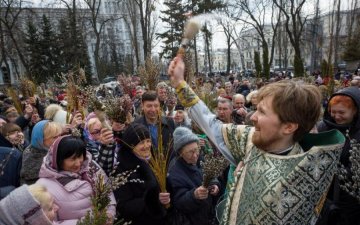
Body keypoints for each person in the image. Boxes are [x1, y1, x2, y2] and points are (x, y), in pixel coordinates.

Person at [168, 57, 345, 225]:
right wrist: (180, 84)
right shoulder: (250, 139)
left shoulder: (305, 174)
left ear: (289, 127)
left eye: (262, 112)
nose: (252, 117)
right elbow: (211, 124)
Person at [36, 135, 116, 224]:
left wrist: (109, 213)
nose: (78, 163)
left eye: (80, 157)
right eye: (72, 159)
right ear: (58, 159)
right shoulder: (43, 186)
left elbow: (107, 192)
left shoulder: (91, 167)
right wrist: (86, 222)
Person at [316, 86, 360, 225]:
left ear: (355, 111)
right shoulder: (323, 127)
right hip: (325, 192)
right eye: (333, 112)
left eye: (342, 112)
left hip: (350, 196)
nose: (336, 116)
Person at [114, 123, 170, 225]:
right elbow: (124, 206)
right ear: (131, 145)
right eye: (141, 142)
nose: (146, 146)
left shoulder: (152, 161)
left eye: (148, 141)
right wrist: (153, 200)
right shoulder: (122, 169)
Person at [168, 127, 220, 225]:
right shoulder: (174, 172)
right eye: (190, 152)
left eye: (197, 149)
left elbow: (211, 174)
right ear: (180, 153)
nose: (195, 155)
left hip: (208, 216)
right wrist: (194, 195)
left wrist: (215, 184)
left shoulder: (199, 159)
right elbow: (178, 202)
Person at [20, 120, 63, 184]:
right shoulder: (31, 156)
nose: (59, 139)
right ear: (41, 139)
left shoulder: (50, 149)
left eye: (60, 135)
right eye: (55, 137)